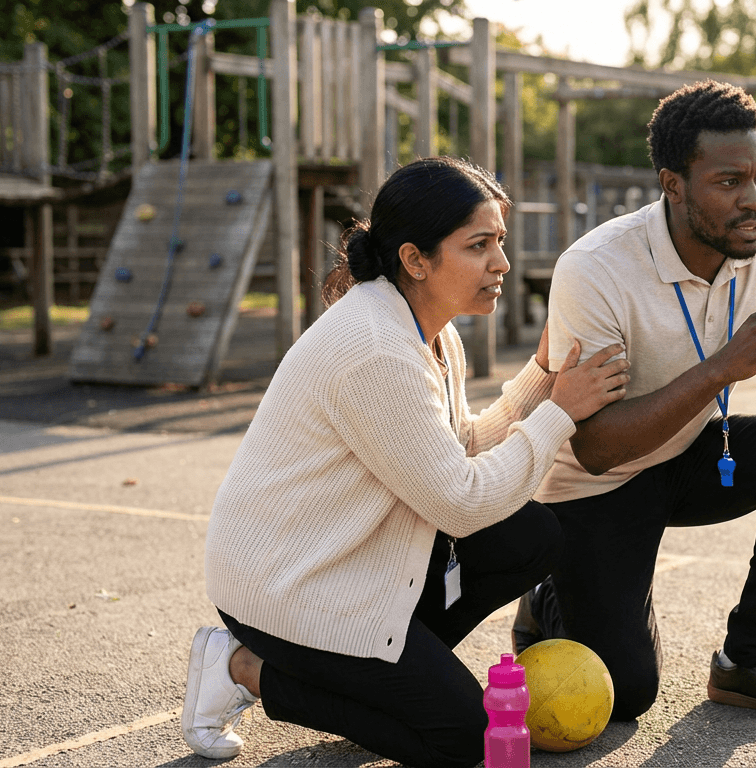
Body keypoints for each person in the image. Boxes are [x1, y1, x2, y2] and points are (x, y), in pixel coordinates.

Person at [181, 157, 631, 768]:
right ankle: (243, 668)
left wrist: (544, 376)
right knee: (463, 739)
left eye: (500, 242)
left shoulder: (429, 329)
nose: (501, 263)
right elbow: (462, 502)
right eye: (479, 245)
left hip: (351, 562)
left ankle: (379, 682)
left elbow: (462, 445)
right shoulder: (375, 349)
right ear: (416, 259)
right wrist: (560, 415)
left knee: (531, 537)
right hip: (288, 587)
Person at [513, 80, 756, 724]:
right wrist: (720, 369)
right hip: (597, 486)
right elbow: (593, 450)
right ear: (672, 184)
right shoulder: (596, 268)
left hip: (695, 451)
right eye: (729, 182)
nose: (754, 200)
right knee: (627, 696)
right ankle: (548, 597)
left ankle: (748, 663)